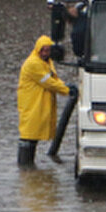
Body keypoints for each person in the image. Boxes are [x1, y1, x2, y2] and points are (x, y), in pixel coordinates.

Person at [16, 35, 73, 168]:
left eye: (47, 50)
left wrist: (66, 86)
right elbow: (48, 82)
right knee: (29, 136)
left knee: (33, 136)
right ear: (38, 50)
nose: (45, 53)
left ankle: (29, 170)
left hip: (38, 104)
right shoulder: (33, 63)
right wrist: (67, 90)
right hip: (32, 105)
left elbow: (53, 78)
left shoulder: (47, 62)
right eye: (43, 50)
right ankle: (25, 167)